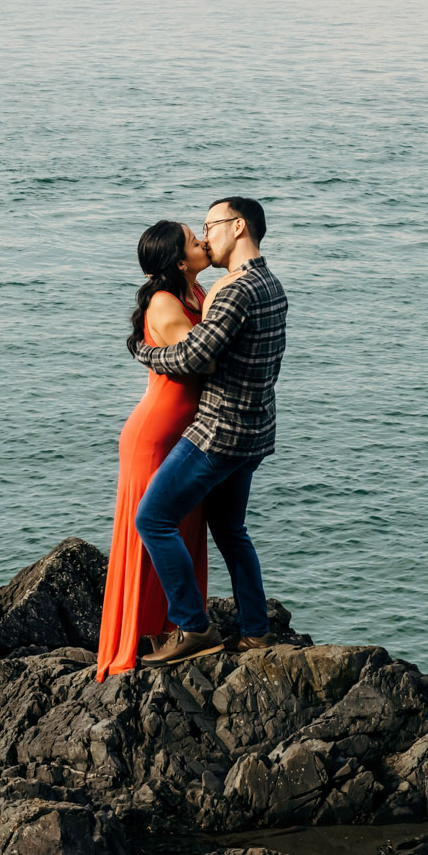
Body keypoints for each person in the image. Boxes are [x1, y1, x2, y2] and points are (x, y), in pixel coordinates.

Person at [130, 197, 287, 666]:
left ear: (238, 227)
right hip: (256, 430)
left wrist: (144, 352)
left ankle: (194, 628)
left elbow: (196, 356)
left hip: (219, 432)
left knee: (152, 519)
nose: (205, 235)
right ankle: (256, 631)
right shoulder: (270, 283)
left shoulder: (235, 289)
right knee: (230, 530)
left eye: (210, 225)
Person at [96, 220, 215, 681]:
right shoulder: (166, 303)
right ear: (179, 261)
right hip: (156, 434)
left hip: (183, 430)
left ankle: (174, 632)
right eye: (193, 239)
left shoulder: (197, 291)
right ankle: (144, 639)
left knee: (182, 529)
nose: (203, 241)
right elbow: (205, 361)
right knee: (154, 531)